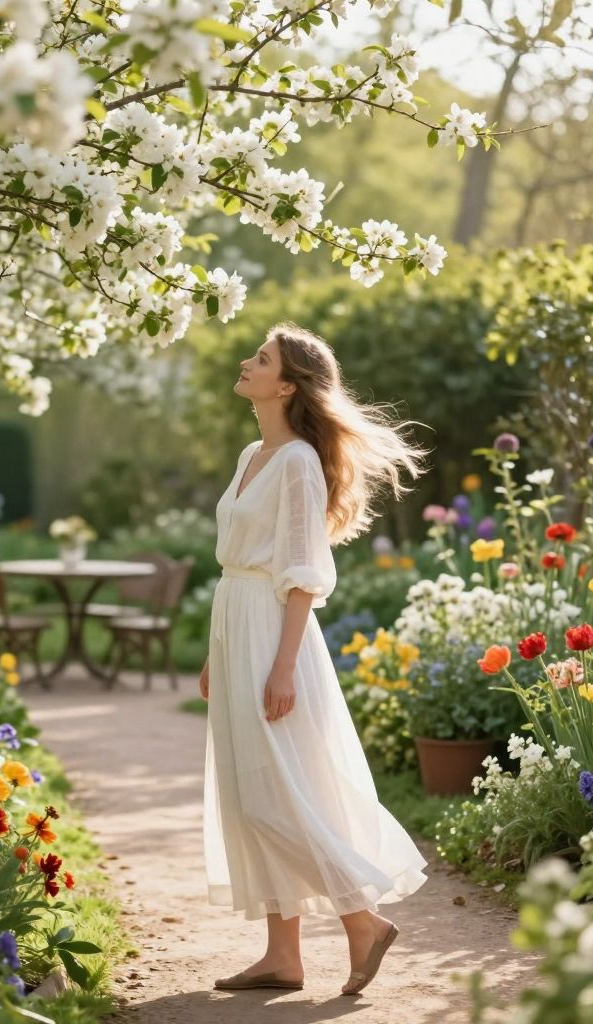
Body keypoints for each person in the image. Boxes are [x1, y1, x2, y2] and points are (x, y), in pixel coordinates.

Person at [200, 321, 430, 997]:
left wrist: (280, 666)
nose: (247, 363)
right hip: (236, 623)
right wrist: (217, 653)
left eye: (261, 358)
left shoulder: (299, 461)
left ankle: (362, 920)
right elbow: (238, 563)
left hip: (274, 632)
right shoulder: (253, 454)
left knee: (272, 796)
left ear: (287, 386)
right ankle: (282, 955)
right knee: (247, 792)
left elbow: (302, 572)